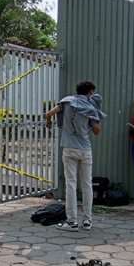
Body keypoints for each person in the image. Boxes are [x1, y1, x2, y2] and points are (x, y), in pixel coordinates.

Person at [45, 81, 105, 231]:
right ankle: (87, 221)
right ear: (90, 92)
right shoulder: (90, 107)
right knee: (86, 184)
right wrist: (92, 122)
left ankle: (71, 222)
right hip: (85, 149)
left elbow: (48, 114)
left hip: (68, 148)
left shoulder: (66, 102)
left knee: (70, 184)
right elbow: (97, 131)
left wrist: (48, 122)